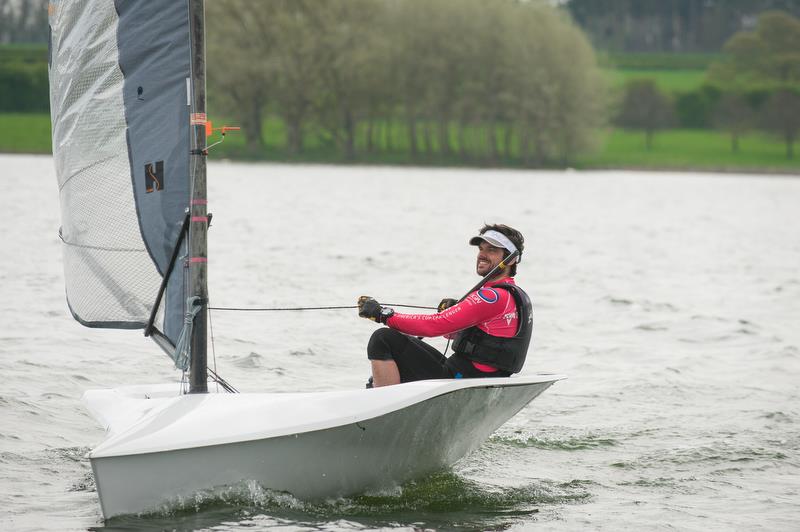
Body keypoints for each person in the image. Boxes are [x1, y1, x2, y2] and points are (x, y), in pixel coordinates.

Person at [357, 223, 533, 387]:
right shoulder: (510, 295)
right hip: (467, 376)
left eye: (492, 250)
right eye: (481, 249)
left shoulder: (492, 296)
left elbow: (435, 326)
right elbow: (451, 334)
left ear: (510, 260)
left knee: (383, 339)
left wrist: (384, 314)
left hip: (458, 378)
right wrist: (457, 311)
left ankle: (387, 407)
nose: (482, 255)